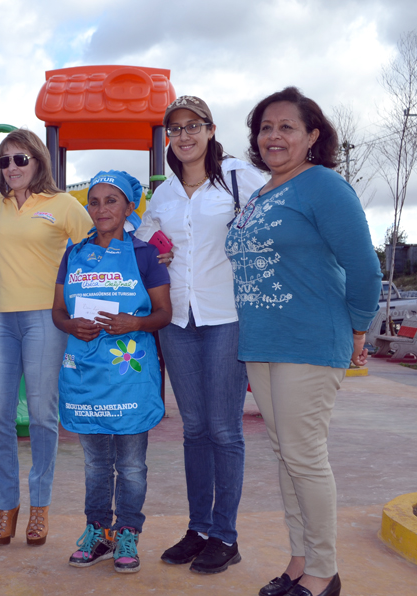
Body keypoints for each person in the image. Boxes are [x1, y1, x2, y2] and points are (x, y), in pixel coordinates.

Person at [226, 87, 381, 596]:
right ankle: (300, 560)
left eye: (286, 127)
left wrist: (358, 327)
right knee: (285, 454)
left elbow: (363, 266)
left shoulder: (324, 186)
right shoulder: (262, 194)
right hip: (263, 341)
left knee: (305, 456)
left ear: (312, 136)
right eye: (265, 127)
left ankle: (323, 572)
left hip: (311, 339)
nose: (273, 136)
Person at [136, 96, 266, 573]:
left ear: (211, 130)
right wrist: (156, 253)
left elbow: (274, 220)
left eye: (194, 126)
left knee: (225, 429)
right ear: (167, 137)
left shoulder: (238, 177)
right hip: (178, 320)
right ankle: (198, 528)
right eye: (175, 129)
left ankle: (225, 536)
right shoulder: (165, 193)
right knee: (194, 429)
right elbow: (144, 241)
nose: (184, 135)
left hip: (226, 316)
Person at [0, 129, 93, 546]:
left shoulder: (63, 205)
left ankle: (39, 507)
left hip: (45, 319)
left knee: (41, 416)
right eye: (4, 161)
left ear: (38, 161)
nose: (11, 168)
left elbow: (96, 248)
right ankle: (8, 506)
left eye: (20, 159)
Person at [53, 170, 171, 574]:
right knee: (96, 464)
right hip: (86, 372)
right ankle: (97, 531)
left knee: (132, 465)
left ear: (128, 207)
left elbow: (163, 313)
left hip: (129, 376)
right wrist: (72, 326)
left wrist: (134, 324)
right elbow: (58, 311)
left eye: (111, 201)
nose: (102, 209)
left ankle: (128, 533)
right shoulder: (73, 254)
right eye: (95, 201)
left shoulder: (145, 255)